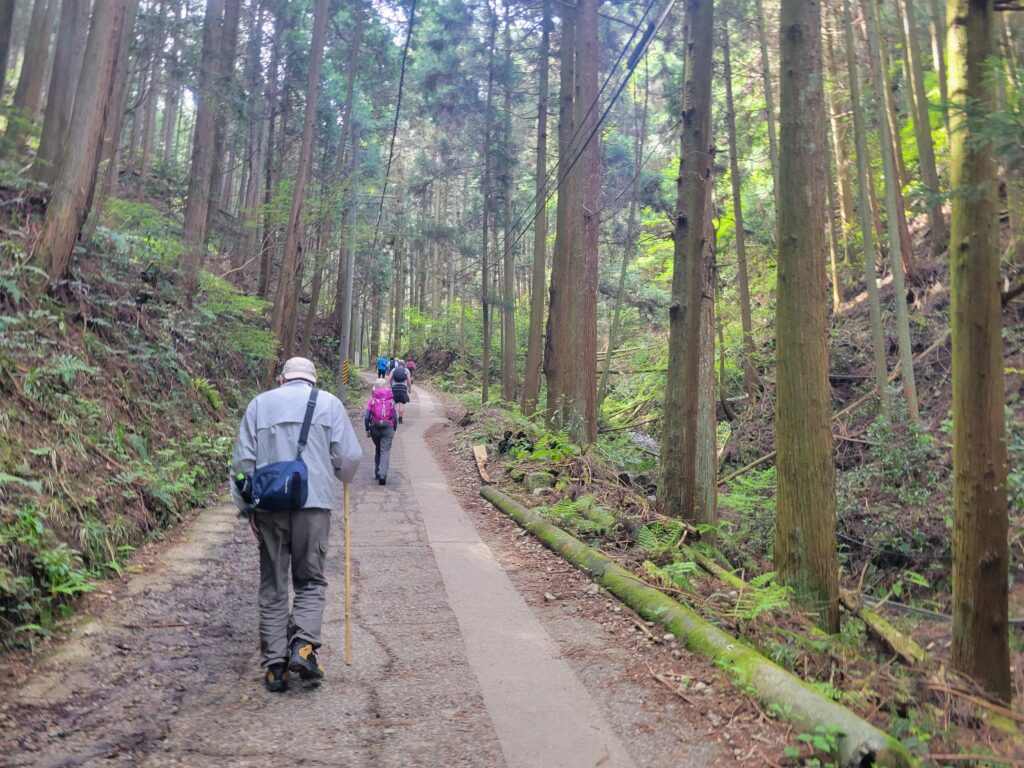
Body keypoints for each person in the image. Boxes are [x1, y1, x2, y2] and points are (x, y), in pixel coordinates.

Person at [230, 356, 362, 693]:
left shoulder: (259, 405)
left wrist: (248, 509)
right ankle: (302, 648)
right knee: (310, 581)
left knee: (273, 584)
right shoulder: (329, 404)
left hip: (270, 507)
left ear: (282, 379)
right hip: (313, 506)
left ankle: (275, 668)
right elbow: (348, 459)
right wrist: (335, 471)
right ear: (313, 380)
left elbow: (243, 463)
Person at [363, 378, 397, 485]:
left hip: (374, 428)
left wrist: (367, 429)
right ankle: (383, 474)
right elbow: (395, 417)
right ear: (386, 387)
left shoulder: (372, 401)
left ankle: (377, 472)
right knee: (385, 450)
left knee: (378, 448)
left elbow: (367, 417)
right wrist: (394, 429)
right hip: (388, 428)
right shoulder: (391, 400)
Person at [389, 358, 411, 423]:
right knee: (401, 404)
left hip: (394, 388)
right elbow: (409, 380)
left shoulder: (394, 369)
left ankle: (393, 418)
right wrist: (409, 388)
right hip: (403, 389)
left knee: (394, 403)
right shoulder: (406, 370)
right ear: (404, 364)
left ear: (398, 364)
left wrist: (387, 387)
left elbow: (389, 378)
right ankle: (400, 418)